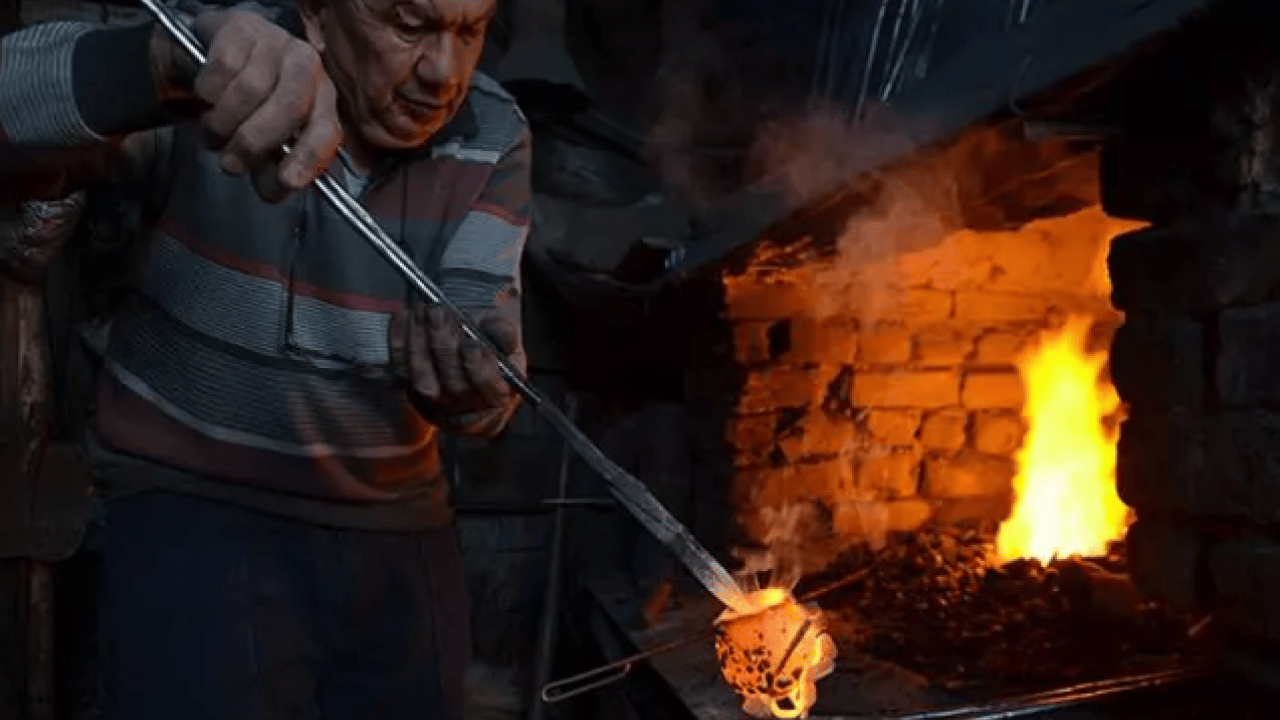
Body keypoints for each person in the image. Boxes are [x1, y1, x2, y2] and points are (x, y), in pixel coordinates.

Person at [0, 0, 530, 717]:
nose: (445, 72)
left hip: (399, 534)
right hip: (195, 512)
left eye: (470, 31)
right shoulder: (222, 62)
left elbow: (485, 347)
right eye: (408, 24)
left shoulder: (492, 132)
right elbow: (13, 103)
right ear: (317, 11)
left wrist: (475, 385)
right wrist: (158, 61)